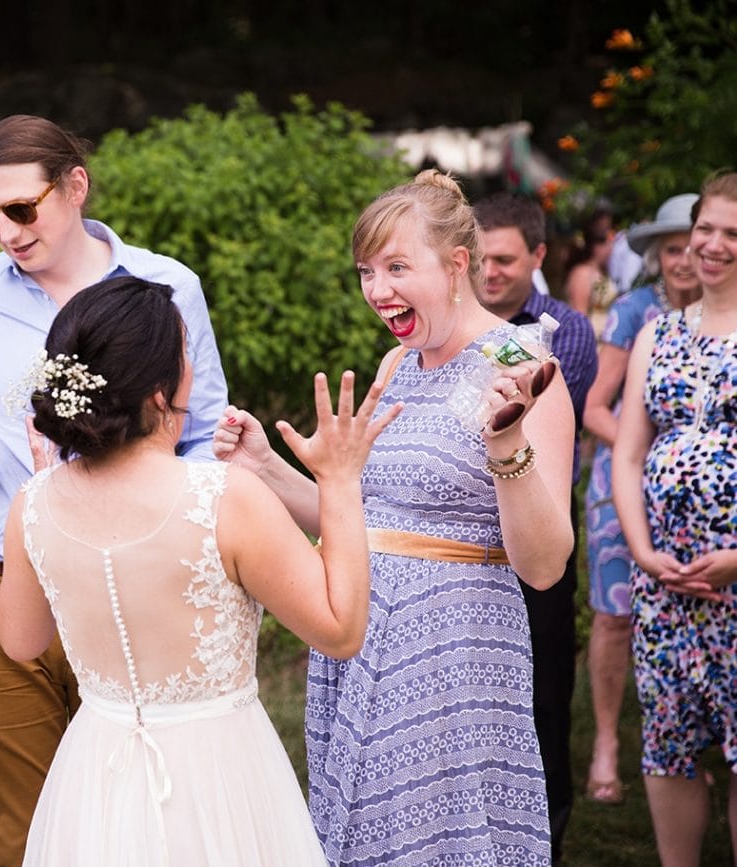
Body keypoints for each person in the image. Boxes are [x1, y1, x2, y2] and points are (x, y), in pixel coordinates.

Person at [215, 170, 575, 866]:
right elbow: (367, 517)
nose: (378, 289)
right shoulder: (399, 361)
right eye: (366, 271)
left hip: (452, 649)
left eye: (397, 267)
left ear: (457, 264)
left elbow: (545, 563)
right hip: (359, 638)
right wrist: (263, 467)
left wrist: (508, 444)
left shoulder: (518, 360)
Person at [0, 275, 398, 865]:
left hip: (96, 775)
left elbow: (18, 638)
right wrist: (339, 481)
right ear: (160, 392)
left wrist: (40, 501)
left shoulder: (33, 502)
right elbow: (341, 629)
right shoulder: (224, 498)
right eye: (185, 351)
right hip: (219, 774)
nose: (192, 363)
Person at [0, 115, 228, 866]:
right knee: (16, 837)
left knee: (139, 828)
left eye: (22, 208)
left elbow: (207, 436)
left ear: (75, 185)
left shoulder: (166, 287)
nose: (5, 230)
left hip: (133, 588)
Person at [611, 172, 737, 867]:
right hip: (664, 581)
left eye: (731, 234)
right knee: (668, 743)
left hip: (735, 582)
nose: (712, 246)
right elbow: (629, 454)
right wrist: (644, 550)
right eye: (706, 228)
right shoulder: (657, 334)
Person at [474, 191, 598, 863]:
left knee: (545, 683)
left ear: (538, 257)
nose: (491, 273)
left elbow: (541, 402)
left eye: (506, 259)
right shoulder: (442, 334)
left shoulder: (564, 328)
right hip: (470, 536)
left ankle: (548, 827)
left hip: (540, 513)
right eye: (481, 259)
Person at [582, 193, 701, 806]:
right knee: (615, 615)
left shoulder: (722, 316)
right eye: (673, 248)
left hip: (692, 498)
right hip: (619, 484)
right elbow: (594, 407)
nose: (685, 259)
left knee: (690, 607)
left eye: (692, 245)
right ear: (658, 255)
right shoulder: (633, 311)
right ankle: (606, 740)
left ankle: (687, 740)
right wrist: (650, 451)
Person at [564, 209, 619, 336]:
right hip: (591, 341)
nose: (610, 248)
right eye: (605, 242)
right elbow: (579, 314)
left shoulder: (602, 271)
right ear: (595, 246)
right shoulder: (582, 273)